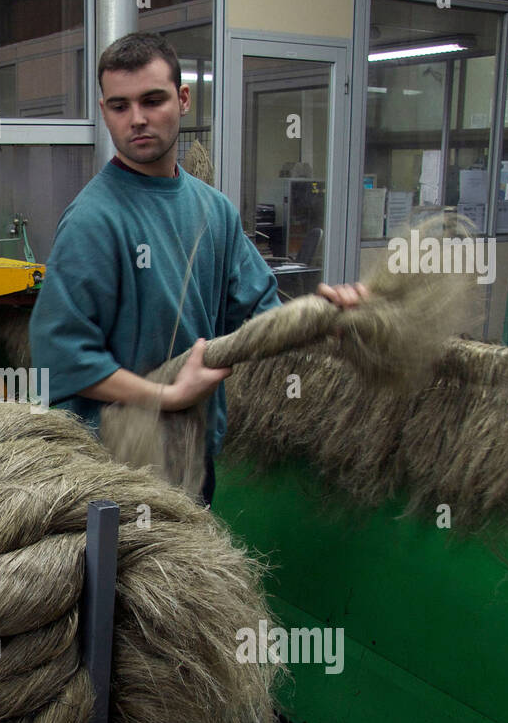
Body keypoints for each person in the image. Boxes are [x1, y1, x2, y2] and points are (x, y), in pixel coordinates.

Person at [29, 32, 367, 504]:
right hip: (111, 472)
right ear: (104, 110)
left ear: (183, 99)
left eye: (153, 100)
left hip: (192, 458)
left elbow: (258, 316)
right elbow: (62, 357)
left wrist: (324, 319)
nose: (137, 119)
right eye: (120, 106)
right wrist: (168, 397)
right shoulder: (93, 220)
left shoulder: (215, 212)